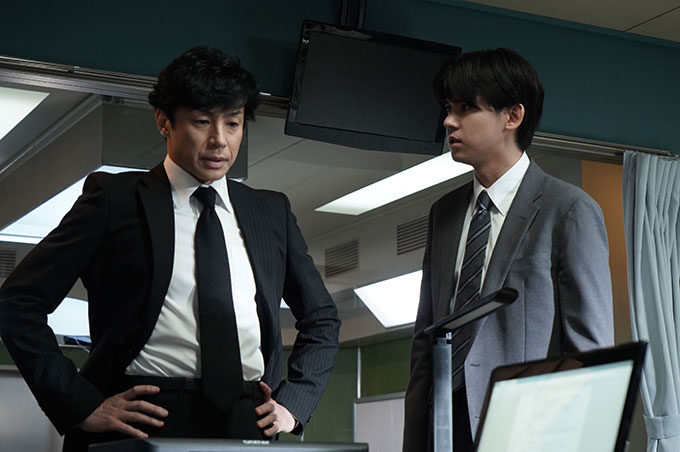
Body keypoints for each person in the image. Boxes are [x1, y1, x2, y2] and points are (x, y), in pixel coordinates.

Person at [0, 46, 340, 452]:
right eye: (202, 122)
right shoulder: (114, 199)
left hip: (246, 417)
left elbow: (321, 318)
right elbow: (18, 303)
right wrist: (78, 403)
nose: (219, 140)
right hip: (142, 416)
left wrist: (295, 402)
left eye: (233, 124)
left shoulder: (270, 212)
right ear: (164, 121)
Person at [402, 48, 614, 452]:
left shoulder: (568, 209)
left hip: (527, 433)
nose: (449, 120)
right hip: (443, 427)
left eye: (466, 108)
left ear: (512, 116)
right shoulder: (443, 213)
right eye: (448, 108)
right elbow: (424, 341)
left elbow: (591, 353)